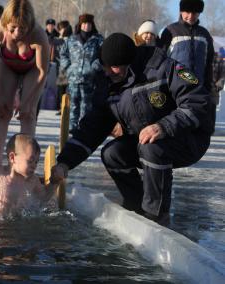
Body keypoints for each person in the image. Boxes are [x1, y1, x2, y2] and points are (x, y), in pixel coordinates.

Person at [50, 33, 214, 225]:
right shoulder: (108, 82)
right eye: (105, 66)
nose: (109, 72)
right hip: (148, 140)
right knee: (112, 153)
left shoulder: (163, 68)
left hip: (188, 138)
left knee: (151, 147)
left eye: (114, 67)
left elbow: (199, 103)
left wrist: (163, 126)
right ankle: (136, 204)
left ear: (129, 62)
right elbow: (91, 129)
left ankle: (156, 215)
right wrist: (65, 162)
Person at [0, 0, 49, 165]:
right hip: (7, 66)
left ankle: (25, 162)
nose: (16, 33)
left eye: (22, 29)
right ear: (5, 23)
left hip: (32, 69)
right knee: (2, 112)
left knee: (28, 114)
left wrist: (27, 102)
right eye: (12, 28)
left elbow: (42, 71)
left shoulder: (38, 35)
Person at [0, 133, 56, 217]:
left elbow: (44, 197)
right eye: (30, 161)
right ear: (12, 158)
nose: (34, 166)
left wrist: (55, 181)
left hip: (13, 225)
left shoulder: (32, 180)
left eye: (36, 162)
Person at [59, 13, 103, 132]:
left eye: (89, 24)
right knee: (73, 105)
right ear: (80, 25)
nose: (86, 26)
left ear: (92, 25)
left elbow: (103, 56)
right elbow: (63, 55)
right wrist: (68, 68)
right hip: (73, 78)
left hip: (90, 79)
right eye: (84, 23)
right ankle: (72, 129)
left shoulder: (98, 40)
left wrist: (95, 67)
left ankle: (84, 130)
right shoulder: (71, 39)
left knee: (86, 106)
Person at [160, 0, 214, 93]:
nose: (191, 16)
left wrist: (208, 85)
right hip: (174, 88)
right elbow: (161, 60)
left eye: (194, 13)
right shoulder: (170, 31)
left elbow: (209, 62)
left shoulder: (204, 34)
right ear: (181, 11)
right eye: (187, 12)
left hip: (199, 88)